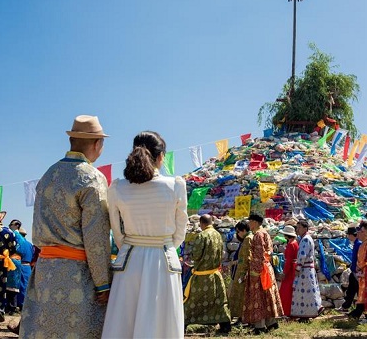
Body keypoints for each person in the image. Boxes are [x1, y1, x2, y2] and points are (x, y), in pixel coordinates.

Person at [20, 115, 112, 339]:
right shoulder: (91, 178)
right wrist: (103, 283)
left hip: (45, 271)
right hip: (76, 275)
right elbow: (96, 237)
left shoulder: (48, 175)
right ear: (97, 144)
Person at [101, 131, 188, 338]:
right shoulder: (175, 185)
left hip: (130, 258)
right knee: (161, 322)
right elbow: (180, 229)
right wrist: (166, 244)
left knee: (124, 321)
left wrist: (132, 245)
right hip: (164, 258)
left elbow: (116, 231)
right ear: (161, 157)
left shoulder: (118, 187)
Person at [183, 214, 231, 333]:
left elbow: (196, 255)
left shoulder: (202, 235)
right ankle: (225, 325)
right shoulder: (218, 235)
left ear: (201, 223)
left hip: (201, 276)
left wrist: (191, 257)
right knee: (219, 301)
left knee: (192, 301)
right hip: (215, 274)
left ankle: (183, 323)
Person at [243, 213, 283, 334]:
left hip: (260, 270)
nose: (249, 224)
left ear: (255, 222)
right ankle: (271, 323)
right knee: (267, 296)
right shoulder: (265, 233)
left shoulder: (258, 235)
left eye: (250, 221)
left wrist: (254, 271)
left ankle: (259, 326)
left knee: (258, 298)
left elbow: (259, 255)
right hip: (266, 268)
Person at [290, 219, 322, 320]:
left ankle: (307, 314)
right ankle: (308, 313)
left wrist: (298, 267)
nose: (297, 230)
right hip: (307, 269)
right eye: (297, 228)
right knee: (307, 292)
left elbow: (302, 255)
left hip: (305, 270)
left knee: (305, 293)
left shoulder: (305, 239)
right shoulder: (306, 238)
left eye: (299, 228)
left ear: (305, 228)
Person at [229, 220, 253, 324]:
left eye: (238, 231)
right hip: (240, 270)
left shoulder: (248, 239)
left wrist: (237, 262)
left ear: (243, 230)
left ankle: (242, 318)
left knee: (241, 296)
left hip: (242, 272)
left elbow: (247, 257)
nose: (237, 234)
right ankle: (240, 317)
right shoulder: (247, 238)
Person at [339, 226, 361, 312]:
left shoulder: (358, 244)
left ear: (352, 235)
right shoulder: (356, 243)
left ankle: (360, 309)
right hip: (354, 270)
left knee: (357, 290)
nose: (347, 237)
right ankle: (346, 306)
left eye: (348, 235)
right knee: (351, 289)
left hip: (357, 271)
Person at [278, 225, 299, 316]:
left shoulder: (290, 245)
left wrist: (284, 272)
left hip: (290, 270)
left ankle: (286, 312)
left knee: (286, 291)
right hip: (293, 268)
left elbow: (289, 261)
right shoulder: (295, 242)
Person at [15, 227, 34, 309]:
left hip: (20, 266)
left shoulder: (19, 243)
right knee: (26, 286)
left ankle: (20, 304)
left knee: (19, 286)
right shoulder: (29, 244)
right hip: (28, 267)